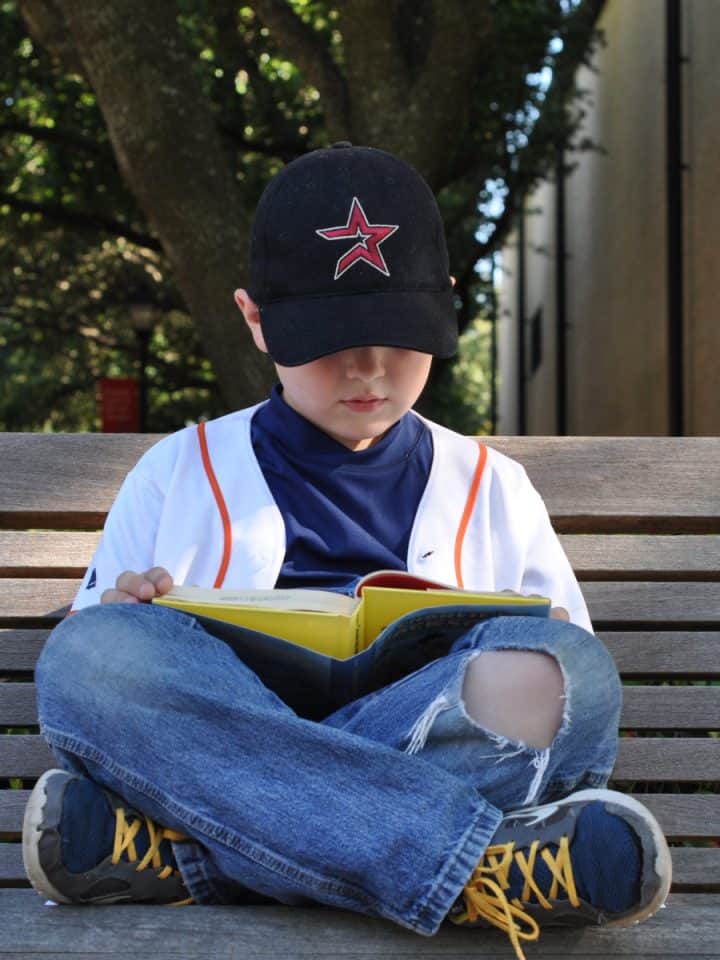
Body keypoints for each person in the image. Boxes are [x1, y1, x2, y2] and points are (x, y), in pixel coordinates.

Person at [22, 143, 671, 960]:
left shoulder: (490, 485)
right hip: (238, 733)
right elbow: (97, 695)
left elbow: (561, 687)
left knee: (566, 673)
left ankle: (199, 861)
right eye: (331, 338)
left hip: (264, 768)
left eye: (398, 334)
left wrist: (234, 799)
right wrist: (132, 613)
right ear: (255, 318)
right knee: (94, 656)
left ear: (445, 307)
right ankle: (472, 869)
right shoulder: (178, 471)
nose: (368, 368)